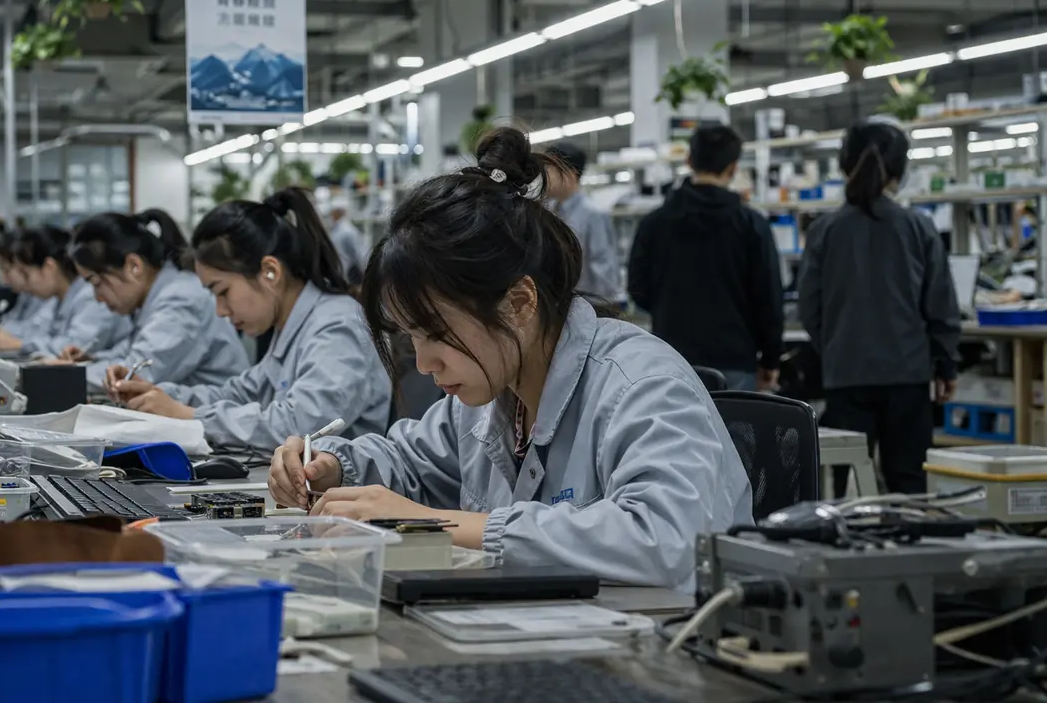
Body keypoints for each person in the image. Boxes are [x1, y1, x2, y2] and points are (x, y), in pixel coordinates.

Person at [267, 127, 753, 591]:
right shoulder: (493, 395)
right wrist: (334, 465)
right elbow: (411, 462)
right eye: (412, 338)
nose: (424, 364)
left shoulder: (641, 384)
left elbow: (664, 539)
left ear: (519, 303)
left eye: (436, 334)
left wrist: (436, 523)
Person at [108, 189, 391, 454]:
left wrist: (189, 416)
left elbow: (299, 425)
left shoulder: (337, 325)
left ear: (270, 272)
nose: (220, 310)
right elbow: (238, 393)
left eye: (222, 292)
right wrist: (159, 395)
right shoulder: (295, 326)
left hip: (339, 490)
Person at [800, 122, 960, 496]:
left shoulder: (824, 229)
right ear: (900, 171)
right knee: (910, 481)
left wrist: (836, 345)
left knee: (841, 483)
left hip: (846, 375)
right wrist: (945, 363)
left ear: (844, 166)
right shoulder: (918, 227)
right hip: (908, 374)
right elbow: (940, 304)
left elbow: (809, 306)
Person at [627, 124, 784, 392]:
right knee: (733, 421)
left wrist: (669, 311)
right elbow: (769, 299)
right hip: (735, 361)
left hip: (670, 358)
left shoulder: (654, 223)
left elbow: (637, 289)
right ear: (733, 168)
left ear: (689, 161)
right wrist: (770, 360)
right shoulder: (751, 224)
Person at [63, 209, 249, 392]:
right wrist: (90, 360)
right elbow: (127, 355)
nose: (97, 297)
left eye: (96, 282)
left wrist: (61, 376)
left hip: (214, 407)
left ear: (134, 266)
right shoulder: (155, 298)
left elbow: (136, 374)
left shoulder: (181, 299)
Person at [0, 226, 130, 357]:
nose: (25, 282)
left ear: (49, 267)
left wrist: (20, 344)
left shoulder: (89, 296)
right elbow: (36, 329)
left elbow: (76, 346)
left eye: (26, 274)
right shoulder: (57, 299)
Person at [541, 142, 621, 301]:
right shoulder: (548, 211)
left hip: (587, 303)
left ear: (569, 175)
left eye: (548, 170)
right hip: (558, 301)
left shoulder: (593, 214)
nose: (544, 177)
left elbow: (602, 265)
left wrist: (604, 306)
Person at [327, 201, 368, 285]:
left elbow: (360, 255)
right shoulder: (337, 231)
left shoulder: (347, 231)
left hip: (350, 276)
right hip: (342, 275)